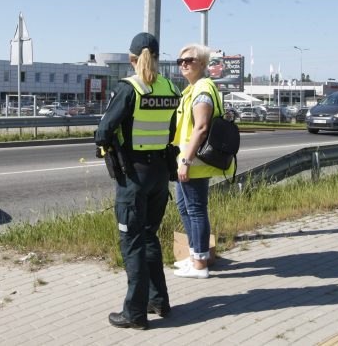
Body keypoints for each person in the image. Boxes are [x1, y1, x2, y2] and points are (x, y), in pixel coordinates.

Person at [95, 32, 180, 330]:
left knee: (131, 243)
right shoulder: (171, 88)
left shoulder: (129, 88)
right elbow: (171, 131)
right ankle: (159, 301)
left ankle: (134, 313)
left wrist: (112, 145)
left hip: (134, 178)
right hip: (159, 175)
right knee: (148, 237)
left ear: (132, 59)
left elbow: (102, 132)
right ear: (157, 57)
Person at [172, 43, 235, 279]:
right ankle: (195, 255)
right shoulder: (192, 89)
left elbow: (201, 127)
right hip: (186, 159)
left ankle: (200, 264)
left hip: (194, 161)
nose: (184, 64)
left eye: (189, 60)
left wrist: (186, 162)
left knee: (196, 209)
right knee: (185, 207)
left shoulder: (203, 89)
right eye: (181, 61)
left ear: (203, 63)